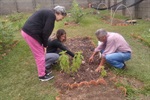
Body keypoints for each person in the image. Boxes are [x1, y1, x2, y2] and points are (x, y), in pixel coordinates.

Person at [21, 6, 67, 81]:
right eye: (62, 16)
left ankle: (43, 71)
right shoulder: (51, 16)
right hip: (31, 34)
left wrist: (43, 44)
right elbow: (45, 33)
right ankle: (42, 76)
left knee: (40, 53)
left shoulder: (49, 13)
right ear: (58, 13)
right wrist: (45, 45)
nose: (62, 19)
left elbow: (43, 31)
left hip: (30, 32)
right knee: (40, 55)